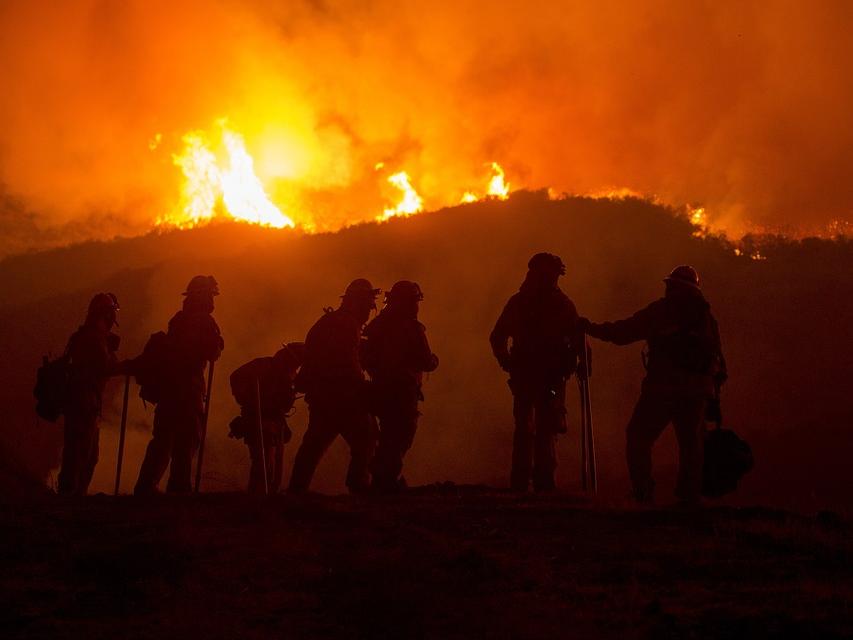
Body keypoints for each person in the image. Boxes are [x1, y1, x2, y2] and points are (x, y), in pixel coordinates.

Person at [579, 265, 727, 504]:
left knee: (638, 436)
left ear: (675, 287)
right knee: (691, 445)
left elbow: (624, 332)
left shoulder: (664, 311)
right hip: (698, 390)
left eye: (670, 285)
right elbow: (719, 360)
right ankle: (689, 498)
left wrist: (590, 328)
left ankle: (643, 491)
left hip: (663, 387)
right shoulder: (706, 318)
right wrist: (712, 396)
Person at [490, 253, 580, 492]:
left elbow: (497, 337)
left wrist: (506, 361)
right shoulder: (558, 304)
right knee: (540, 429)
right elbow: (497, 337)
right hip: (540, 376)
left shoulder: (524, 302)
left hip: (534, 375)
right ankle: (541, 484)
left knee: (531, 429)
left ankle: (525, 483)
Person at [134, 276, 223, 495]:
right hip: (188, 390)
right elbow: (211, 352)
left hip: (169, 391)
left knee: (163, 440)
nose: (213, 300)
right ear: (203, 296)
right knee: (186, 441)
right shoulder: (204, 321)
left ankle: (146, 486)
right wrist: (218, 343)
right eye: (211, 295)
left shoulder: (179, 319)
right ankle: (179, 489)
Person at [288, 279, 380, 493]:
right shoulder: (347, 325)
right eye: (368, 305)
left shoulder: (327, 321)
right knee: (367, 436)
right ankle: (359, 486)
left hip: (321, 396)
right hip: (343, 396)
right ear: (357, 303)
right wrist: (363, 386)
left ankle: (296, 490)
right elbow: (347, 361)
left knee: (313, 446)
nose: (369, 311)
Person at [362, 281, 439, 492]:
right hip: (403, 392)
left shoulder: (377, 326)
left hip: (380, 389)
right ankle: (385, 482)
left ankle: (381, 479)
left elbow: (364, 356)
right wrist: (434, 360)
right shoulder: (411, 328)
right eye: (415, 301)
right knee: (400, 436)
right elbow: (425, 360)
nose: (417, 306)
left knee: (388, 435)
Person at [58, 293, 128, 496]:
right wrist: (131, 365)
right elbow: (106, 367)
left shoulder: (86, 335)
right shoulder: (94, 338)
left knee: (87, 455)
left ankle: (74, 495)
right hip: (84, 404)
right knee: (79, 454)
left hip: (84, 403)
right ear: (106, 314)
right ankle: (69, 497)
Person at [228, 342, 304, 494]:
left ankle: (267, 500)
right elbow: (236, 377)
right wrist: (246, 399)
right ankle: (256, 498)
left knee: (275, 470)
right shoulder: (263, 365)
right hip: (259, 418)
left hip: (277, 421)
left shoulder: (290, 373)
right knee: (264, 465)